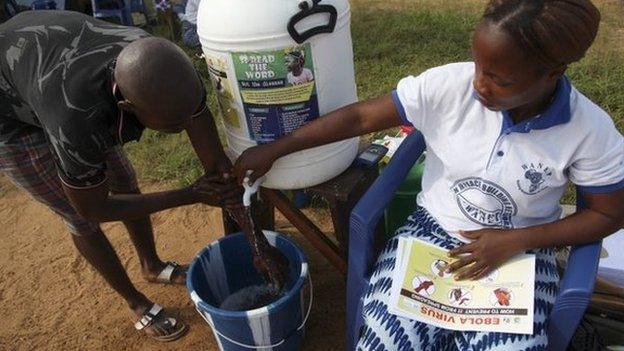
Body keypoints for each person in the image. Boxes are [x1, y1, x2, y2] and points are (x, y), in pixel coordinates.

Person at [234, 0, 624, 349]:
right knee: (385, 341)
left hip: (520, 252)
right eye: (479, 66)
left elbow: (608, 214)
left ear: (553, 73)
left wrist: (515, 240)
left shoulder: (589, 130)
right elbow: (360, 116)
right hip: (430, 233)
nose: (479, 85)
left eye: (500, 80)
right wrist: (277, 148)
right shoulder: (450, 87)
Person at [0, 11, 241, 341]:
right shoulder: (76, 119)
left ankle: (151, 266)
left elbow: (200, 125)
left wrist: (229, 191)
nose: (181, 127)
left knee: (124, 180)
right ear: (127, 107)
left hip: (46, 67)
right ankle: (137, 303)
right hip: (11, 120)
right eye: (172, 125)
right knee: (77, 217)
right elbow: (93, 208)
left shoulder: (164, 65)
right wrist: (192, 193)